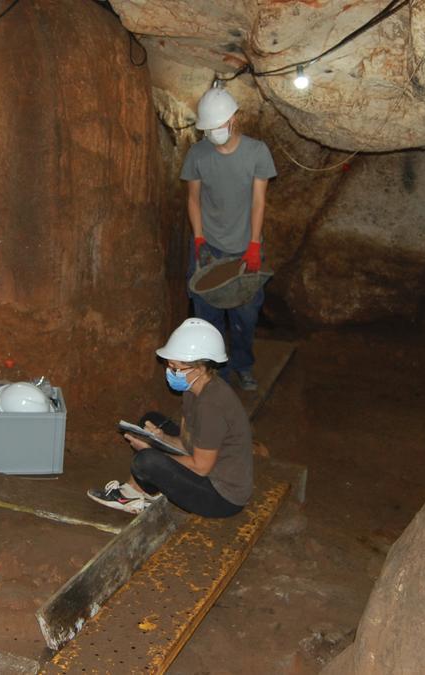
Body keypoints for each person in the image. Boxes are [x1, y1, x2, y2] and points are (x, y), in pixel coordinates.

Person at [88, 318, 253, 517]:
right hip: (208, 468)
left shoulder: (212, 406)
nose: (170, 372)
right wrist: (159, 437)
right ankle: (139, 491)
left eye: (176, 368)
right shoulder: (193, 389)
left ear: (200, 368)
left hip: (222, 496)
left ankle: (131, 495)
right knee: (150, 422)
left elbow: (200, 467)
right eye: (169, 365)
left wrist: (154, 452)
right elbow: (187, 444)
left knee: (147, 460)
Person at [180, 85, 277, 391]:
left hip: (243, 249)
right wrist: (198, 240)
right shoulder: (197, 154)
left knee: (245, 317)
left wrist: (253, 245)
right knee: (207, 319)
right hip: (208, 247)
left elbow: (258, 201)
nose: (214, 132)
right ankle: (215, 376)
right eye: (208, 128)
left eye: (219, 125)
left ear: (234, 119)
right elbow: (193, 199)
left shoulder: (257, 152)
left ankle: (243, 364)